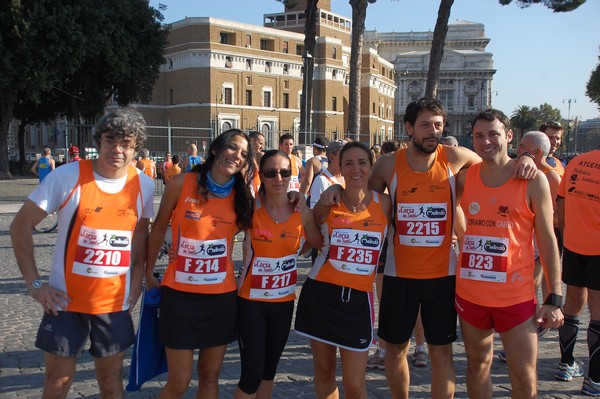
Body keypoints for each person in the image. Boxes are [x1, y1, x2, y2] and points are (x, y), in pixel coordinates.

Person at [318, 97, 536, 398]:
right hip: (398, 276)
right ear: (409, 128)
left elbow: (497, 163)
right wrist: (336, 188)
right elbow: (361, 194)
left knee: (441, 354)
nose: (432, 131)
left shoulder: (457, 157)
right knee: (395, 351)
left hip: (443, 278)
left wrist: (525, 159)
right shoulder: (387, 165)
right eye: (424, 125)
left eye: (437, 125)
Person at [10, 107, 154, 398]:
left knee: (111, 382)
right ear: (98, 140)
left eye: (126, 143)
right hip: (65, 302)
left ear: (136, 147)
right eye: (110, 140)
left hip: (113, 303)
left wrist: (137, 278)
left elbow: (140, 232)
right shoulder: (67, 176)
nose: (117, 149)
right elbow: (20, 226)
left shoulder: (144, 184)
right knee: (57, 382)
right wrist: (35, 284)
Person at [455, 109, 564, 398]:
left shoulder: (532, 180)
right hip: (471, 296)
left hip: (515, 299)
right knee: (477, 366)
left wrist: (554, 297)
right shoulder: (465, 179)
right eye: (479, 135)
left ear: (509, 136)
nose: (486, 141)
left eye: (494, 134)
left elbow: (548, 239)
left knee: (523, 375)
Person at [145, 128, 254, 398]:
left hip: (220, 298)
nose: (236, 156)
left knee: (209, 376)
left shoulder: (243, 197)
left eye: (243, 154)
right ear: (216, 149)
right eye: (232, 148)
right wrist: (148, 272)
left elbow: (251, 230)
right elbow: (159, 227)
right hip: (180, 296)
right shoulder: (181, 183)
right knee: (179, 381)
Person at [295, 141, 391, 399]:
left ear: (371, 167)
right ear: (339, 166)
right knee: (324, 373)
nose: (355, 169)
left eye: (362, 163)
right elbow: (313, 243)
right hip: (321, 294)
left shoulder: (385, 204)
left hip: (358, 300)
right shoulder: (328, 203)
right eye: (348, 163)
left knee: (355, 384)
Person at [235, 149, 322, 399]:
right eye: (271, 173)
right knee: (251, 374)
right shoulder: (251, 209)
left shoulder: (300, 210)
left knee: (269, 371)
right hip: (251, 302)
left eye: (284, 172)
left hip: (283, 304)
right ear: (261, 175)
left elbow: (318, 241)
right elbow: (217, 232)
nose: (278, 178)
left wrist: (298, 252)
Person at [554, 148, 600, 395]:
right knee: (598, 309)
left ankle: (566, 363)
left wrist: (568, 237)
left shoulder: (577, 162)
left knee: (572, 303)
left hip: (574, 243)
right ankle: (595, 379)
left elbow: (561, 204)